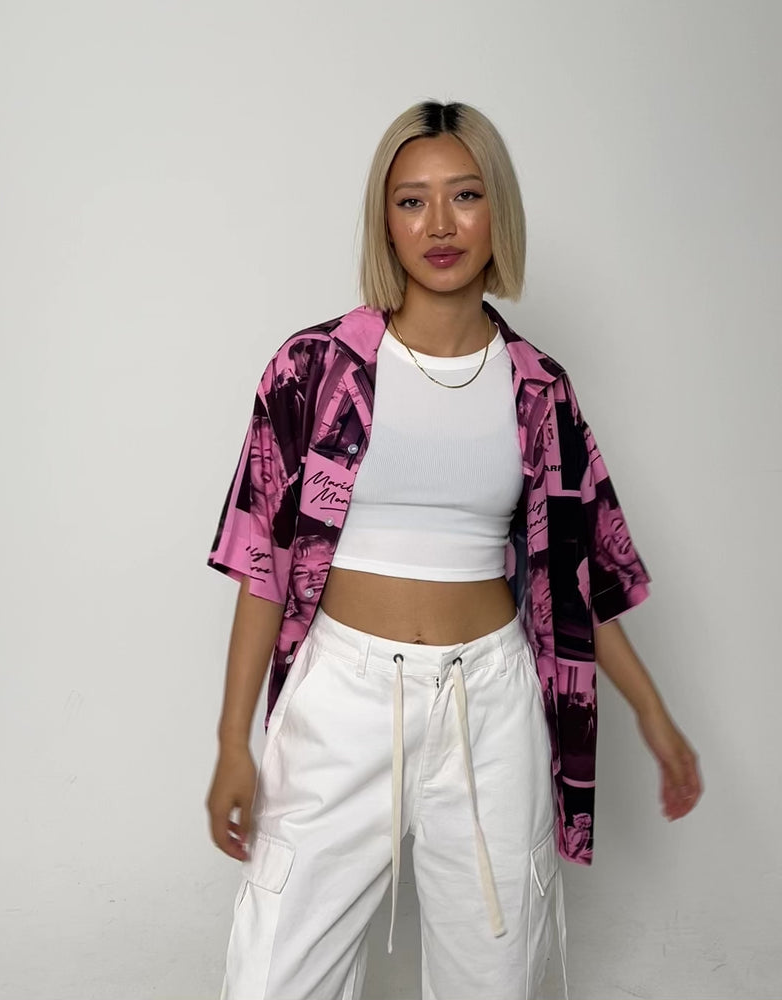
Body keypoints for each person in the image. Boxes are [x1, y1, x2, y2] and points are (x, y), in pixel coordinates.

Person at [205, 99, 703, 1000]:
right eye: (412, 201)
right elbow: (262, 569)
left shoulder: (540, 390)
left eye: (465, 195)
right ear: (384, 221)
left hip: (493, 705)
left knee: (495, 974)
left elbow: (575, 587)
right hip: (343, 698)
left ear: (496, 211)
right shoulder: (313, 370)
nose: (439, 224)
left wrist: (654, 715)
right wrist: (232, 741)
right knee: (275, 976)